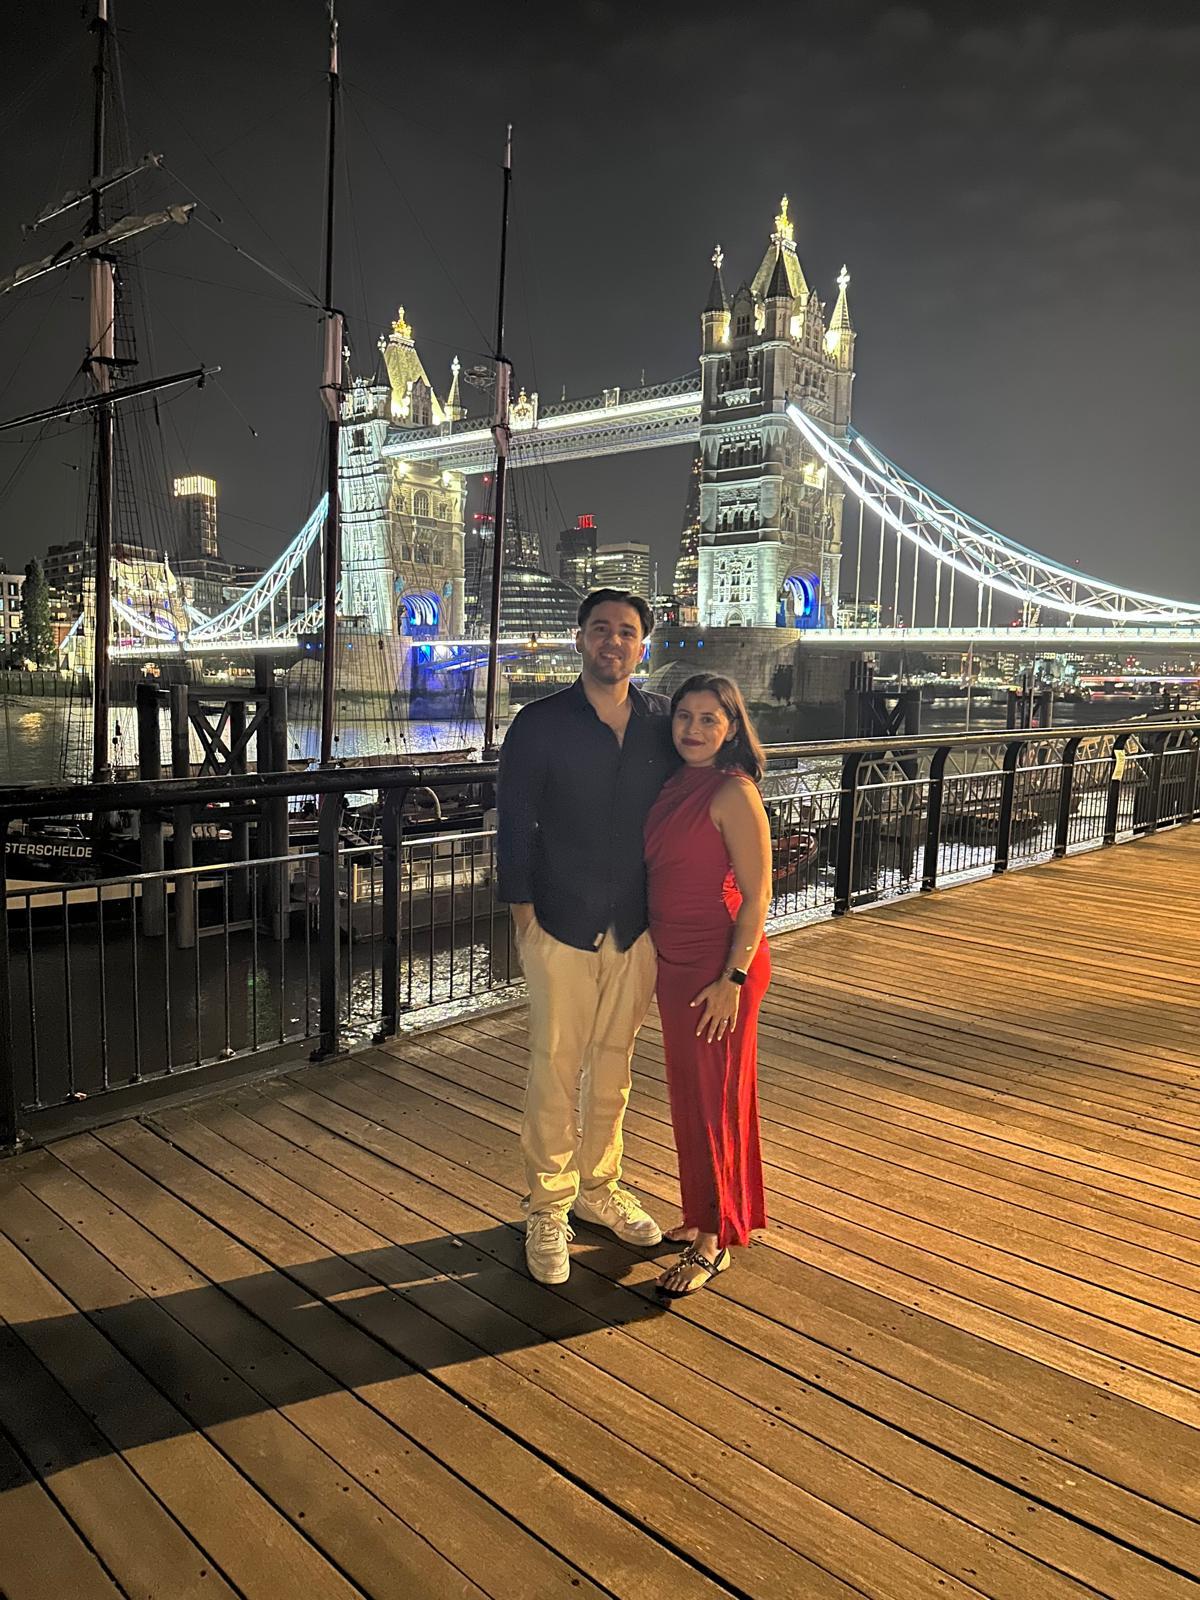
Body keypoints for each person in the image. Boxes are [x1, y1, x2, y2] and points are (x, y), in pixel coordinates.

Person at [496, 589, 678, 1284]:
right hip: (560, 922)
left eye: (626, 632)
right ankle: (548, 1206)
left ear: (642, 646)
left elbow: (712, 783)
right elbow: (514, 824)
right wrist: (523, 917)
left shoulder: (663, 722)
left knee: (614, 1066)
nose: (613, 641)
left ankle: (601, 1189)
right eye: (600, 629)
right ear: (578, 640)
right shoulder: (539, 723)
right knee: (554, 1064)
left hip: (636, 924)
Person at [644, 672, 772, 1298]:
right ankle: (706, 1211)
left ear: (731, 728)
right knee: (691, 1098)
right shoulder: (674, 783)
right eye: (683, 718)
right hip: (675, 964)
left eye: (708, 720)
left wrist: (733, 978)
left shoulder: (731, 791)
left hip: (719, 965)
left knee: (717, 1100)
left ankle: (713, 1243)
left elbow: (757, 897)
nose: (693, 730)